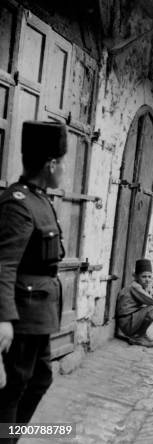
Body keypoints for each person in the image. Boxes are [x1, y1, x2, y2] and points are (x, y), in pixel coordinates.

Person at [0, 121, 67, 436]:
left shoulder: (40, 199)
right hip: (21, 314)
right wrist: (3, 319)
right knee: (16, 385)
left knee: (40, 380)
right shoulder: (18, 203)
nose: (64, 169)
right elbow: (3, 264)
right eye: (62, 163)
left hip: (39, 313)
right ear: (51, 164)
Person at [115, 259, 153, 348]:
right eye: (144, 277)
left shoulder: (140, 286)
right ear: (136, 277)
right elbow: (151, 301)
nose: (147, 280)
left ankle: (142, 334)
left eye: (149, 276)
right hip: (126, 323)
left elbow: (148, 296)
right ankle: (137, 337)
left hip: (131, 319)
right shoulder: (135, 286)